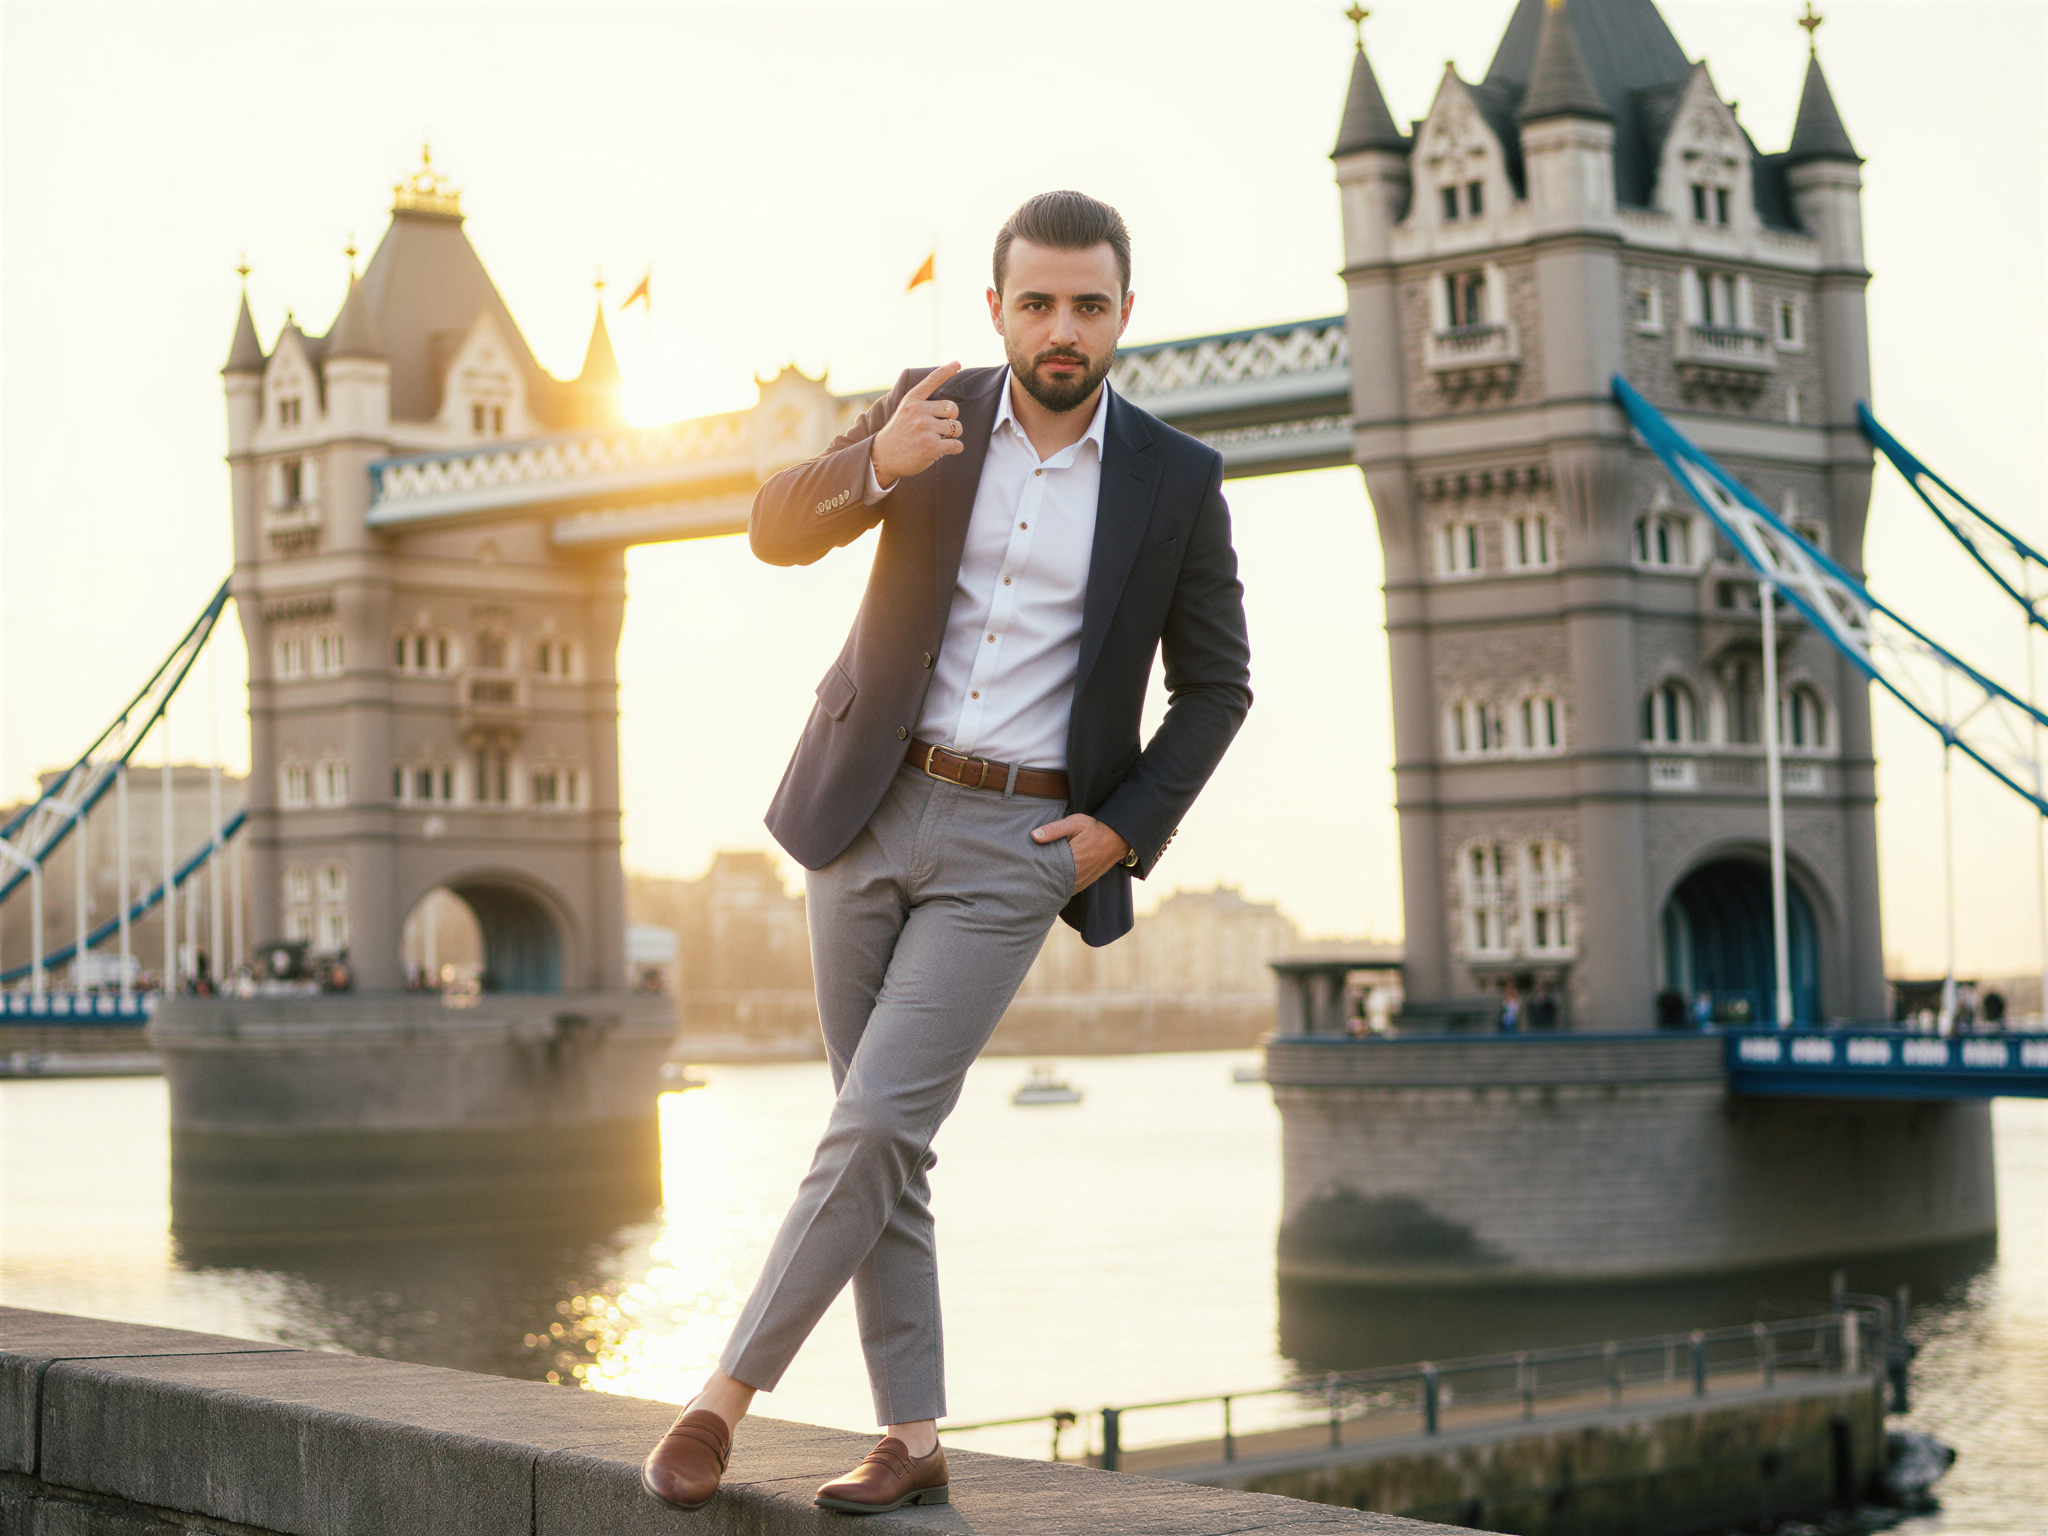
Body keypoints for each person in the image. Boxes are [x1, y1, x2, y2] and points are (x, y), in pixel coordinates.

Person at [641, 191, 1252, 1516]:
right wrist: (879, 465)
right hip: (863, 806)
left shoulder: (1178, 484)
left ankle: (716, 1404)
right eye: (1036, 302)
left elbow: (1218, 688)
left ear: (1124, 316)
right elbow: (773, 527)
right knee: (887, 1138)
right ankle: (911, 1437)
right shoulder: (928, 411)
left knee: (870, 1117)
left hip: (1019, 844)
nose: (1062, 327)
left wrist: (1122, 831)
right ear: (997, 312)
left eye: (1089, 303)